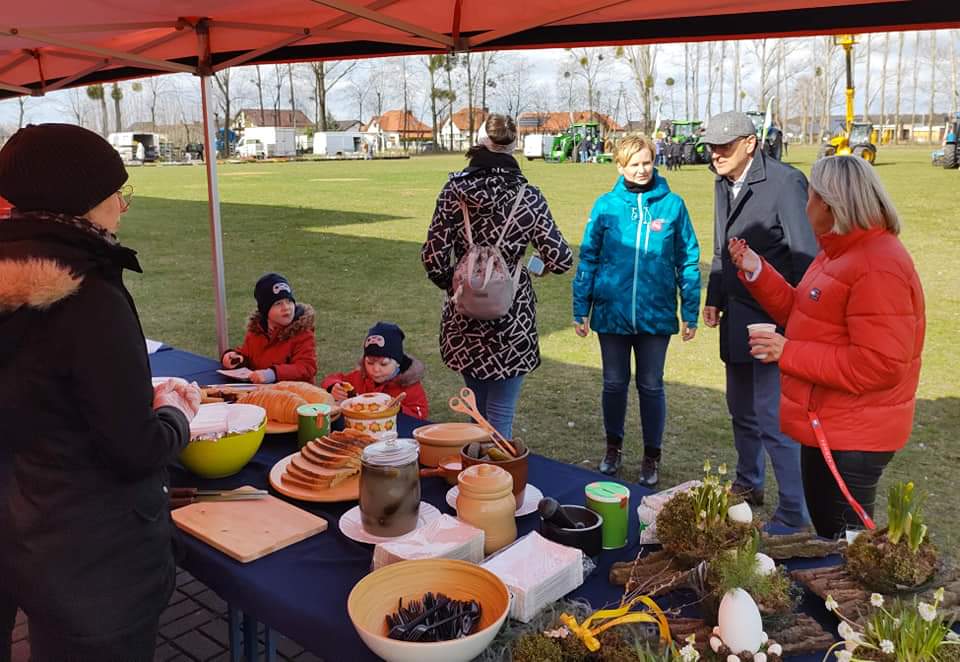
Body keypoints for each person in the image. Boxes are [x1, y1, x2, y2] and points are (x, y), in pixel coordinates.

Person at [0, 123, 200, 660]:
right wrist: (175, 412)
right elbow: (134, 449)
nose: (122, 206)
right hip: (99, 562)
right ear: (86, 200)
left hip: (33, 538)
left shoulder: (13, 274)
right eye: (119, 193)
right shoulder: (87, 296)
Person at [727, 155, 925, 539]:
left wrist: (788, 352)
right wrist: (758, 271)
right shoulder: (839, 253)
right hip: (830, 424)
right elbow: (805, 313)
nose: (805, 205)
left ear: (831, 204)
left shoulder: (877, 266)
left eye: (811, 196)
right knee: (830, 534)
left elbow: (881, 364)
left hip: (854, 433)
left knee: (844, 543)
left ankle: (858, 600)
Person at [421, 114, 573, 440]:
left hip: (463, 320)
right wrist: (536, 264)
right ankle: (493, 481)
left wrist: (461, 284)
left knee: (475, 411)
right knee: (500, 415)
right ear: (514, 144)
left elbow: (432, 258)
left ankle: (476, 479)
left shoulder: (454, 191)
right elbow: (561, 259)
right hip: (511, 321)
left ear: (480, 140)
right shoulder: (528, 197)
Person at [702, 110, 819, 529]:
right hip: (737, 321)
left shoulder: (787, 183)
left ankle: (794, 511)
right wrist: (714, 295)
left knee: (774, 418)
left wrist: (799, 327)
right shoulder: (721, 181)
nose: (716, 154)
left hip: (776, 323)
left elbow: (807, 258)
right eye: (712, 146)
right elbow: (720, 247)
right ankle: (749, 482)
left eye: (724, 146)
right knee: (741, 410)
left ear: (750, 143)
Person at [572, 134, 701, 486]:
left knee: (651, 385)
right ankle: (613, 448)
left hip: (655, 315)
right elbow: (589, 257)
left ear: (654, 161)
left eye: (646, 162)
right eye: (634, 164)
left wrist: (690, 311)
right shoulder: (605, 206)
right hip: (611, 314)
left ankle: (651, 456)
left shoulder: (673, 206)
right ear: (620, 166)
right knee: (614, 384)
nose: (641, 170)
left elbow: (688, 260)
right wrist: (580, 307)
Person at [221, 272, 317, 384]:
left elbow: (306, 367)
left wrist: (273, 374)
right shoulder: (256, 331)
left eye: (289, 301)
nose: (286, 308)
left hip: (296, 393)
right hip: (262, 391)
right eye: (278, 303)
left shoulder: (303, 334)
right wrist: (236, 358)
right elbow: (247, 354)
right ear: (265, 310)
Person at [321, 321, 430, 420]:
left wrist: (399, 409)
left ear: (397, 363)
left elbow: (420, 415)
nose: (375, 369)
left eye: (384, 364)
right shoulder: (360, 377)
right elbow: (332, 379)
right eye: (369, 362)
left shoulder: (409, 386)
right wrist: (334, 386)